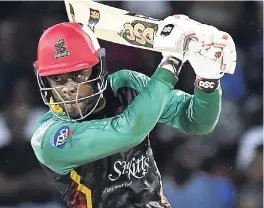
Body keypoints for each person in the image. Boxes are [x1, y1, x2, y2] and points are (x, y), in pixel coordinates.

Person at [31, 15, 236, 208]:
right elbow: (129, 131)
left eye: (77, 75)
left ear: (97, 68)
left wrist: (207, 80)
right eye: (56, 78)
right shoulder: (49, 138)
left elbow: (198, 121)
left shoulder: (126, 86)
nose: (67, 88)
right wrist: (172, 59)